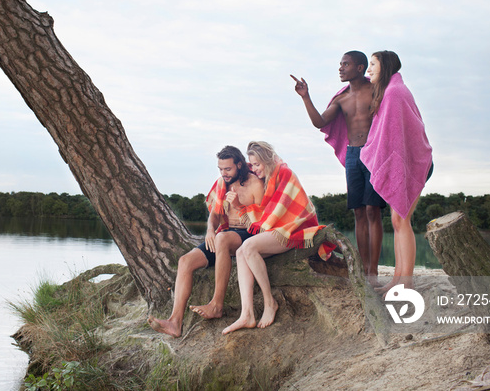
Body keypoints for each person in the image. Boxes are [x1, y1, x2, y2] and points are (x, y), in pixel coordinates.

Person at [148, 145, 264, 337]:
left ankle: (216, 305)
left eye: (228, 169)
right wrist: (210, 229)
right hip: (224, 235)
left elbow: (262, 223)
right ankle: (174, 322)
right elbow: (215, 215)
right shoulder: (221, 184)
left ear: (240, 165)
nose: (223, 173)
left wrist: (238, 206)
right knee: (185, 261)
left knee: (222, 238)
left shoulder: (255, 184)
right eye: (220, 169)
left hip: (248, 234)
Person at [292, 51, 386, 281]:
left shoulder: (376, 90)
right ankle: (363, 268)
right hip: (353, 155)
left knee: (373, 210)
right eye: (340, 64)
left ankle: (373, 269)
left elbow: (391, 115)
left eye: (346, 64)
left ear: (360, 67)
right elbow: (320, 122)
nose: (341, 68)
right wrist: (306, 97)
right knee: (359, 212)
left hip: (373, 153)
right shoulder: (341, 98)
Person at [222, 141, 334, 334]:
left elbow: (280, 212)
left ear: (267, 160)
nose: (254, 169)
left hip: (295, 229)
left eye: (257, 164)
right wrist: (240, 204)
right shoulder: (268, 178)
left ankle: (269, 302)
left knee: (248, 247)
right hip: (279, 229)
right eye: (252, 165)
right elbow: (266, 211)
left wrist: (258, 221)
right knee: (241, 253)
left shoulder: (285, 174)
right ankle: (247, 314)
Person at [364, 50, 433, 292]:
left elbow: (397, 139)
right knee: (397, 220)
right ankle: (397, 278)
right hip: (403, 162)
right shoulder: (390, 92)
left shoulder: (394, 93)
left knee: (402, 220)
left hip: (413, 162)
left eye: (372, 64)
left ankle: (407, 282)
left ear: (386, 66)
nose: (368, 69)